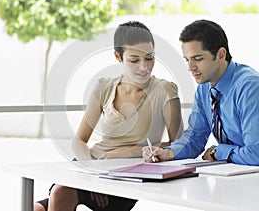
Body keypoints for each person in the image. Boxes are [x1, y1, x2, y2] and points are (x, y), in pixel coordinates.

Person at [34, 20, 183, 211]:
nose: (144, 67)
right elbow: (79, 141)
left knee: (61, 192)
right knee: (35, 207)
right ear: (118, 57)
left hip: (127, 176)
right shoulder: (104, 87)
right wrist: (94, 173)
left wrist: (130, 152)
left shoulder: (165, 90)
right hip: (91, 166)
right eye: (134, 60)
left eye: (149, 57)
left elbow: (179, 145)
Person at [143, 19, 259, 167]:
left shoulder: (250, 88)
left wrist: (217, 152)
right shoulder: (205, 89)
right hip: (235, 176)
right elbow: (195, 138)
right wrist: (168, 153)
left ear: (221, 55)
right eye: (187, 60)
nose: (191, 67)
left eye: (198, 59)